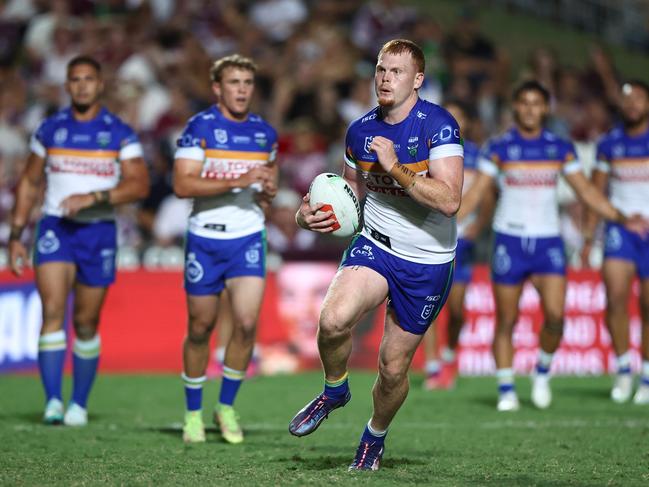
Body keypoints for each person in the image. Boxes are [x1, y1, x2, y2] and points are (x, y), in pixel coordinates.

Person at [288, 39, 464, 471]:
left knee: (391, 369)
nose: (385, 79)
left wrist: (396, 167)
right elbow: (344, 199)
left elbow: (449, 200)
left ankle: (374, 436)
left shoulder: (439, 127)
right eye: (381, 70)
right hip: (377, 243)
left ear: (418, 79)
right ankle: (335, 389)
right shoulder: (360, 131)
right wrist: (306, 216)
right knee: (331, 322)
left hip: (428, 261)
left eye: (397, 72)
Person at [459, 80, 649, 412]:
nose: (531, 109)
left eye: (537, 103)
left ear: (546, 108)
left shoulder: (559, 148)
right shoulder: (498, 147)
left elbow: (587, 192)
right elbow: (476, 193)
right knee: (506, 319)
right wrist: (451, 213)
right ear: (516, 107)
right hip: (509, 239)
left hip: (548, 241)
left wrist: (619, 216)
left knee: (556, 318)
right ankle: (506, 388)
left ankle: (542, 371)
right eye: (524, 102)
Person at [8, 55, 149, 426]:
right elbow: (29, 182)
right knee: (52, 311)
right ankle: (53, 401)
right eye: (75, 79)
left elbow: (139, 184)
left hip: (97, 229)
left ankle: (79, 404)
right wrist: (16, 235)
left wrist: (93, 198)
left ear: (100, 85)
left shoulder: (119, 132)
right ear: (67, 85)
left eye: (89, 78)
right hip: (55, 228)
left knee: (86, 322)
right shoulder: (50, 130)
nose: (82, 85)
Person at [173, 54, 278, 444]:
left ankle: (227, 407)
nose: (241, 90)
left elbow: (268, 188)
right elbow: (183, 185)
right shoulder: (198, 128)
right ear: (217, 88)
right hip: (205, 238)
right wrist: (239, 181)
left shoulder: (264, 134)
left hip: (248, 237)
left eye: (247, 83)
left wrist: (267, 191)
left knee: (247, 324)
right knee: (200, 328)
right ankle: (193, 412)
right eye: (234, 83)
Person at [581, 81, 649, 404]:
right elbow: (596, 192)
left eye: (638, 98)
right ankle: (624, 370)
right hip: (620, 229)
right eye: (627, 99)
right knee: (616, 297)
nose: (633, 104)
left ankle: (646, 375)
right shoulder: (609, 144)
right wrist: (587, 237)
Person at [422, 99, 494, 390]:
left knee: (457, 309)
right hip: (432, 237)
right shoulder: (426, 153)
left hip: (462, 239)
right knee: (427, 303)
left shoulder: (476, 156)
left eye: (459, 116)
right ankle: (432, 366)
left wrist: (478, 224)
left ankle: (449, 354)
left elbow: (486, 199)